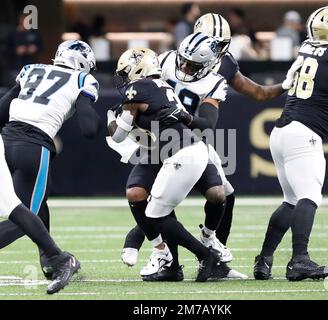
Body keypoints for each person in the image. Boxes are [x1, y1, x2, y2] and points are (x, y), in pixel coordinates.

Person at [121, 14, 301, 279]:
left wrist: (285, 85)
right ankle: (168, 259)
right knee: (149, 196)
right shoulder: (169, 58)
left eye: (216, 44)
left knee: (222, 194)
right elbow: (140, 87)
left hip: (191, 138)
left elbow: (256, 94)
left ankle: (212, 252)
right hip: (159, 137)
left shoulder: (220, 71)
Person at [254, 5, 328, 281]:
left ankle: (264, 259)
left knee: (291, 200)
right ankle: (299, 260)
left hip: (282, 131)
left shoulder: (306, 48)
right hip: (304, 133)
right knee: (310, 197)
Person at [107, 47, 223, 282]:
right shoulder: (162, 86)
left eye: (126, 72)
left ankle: (201, 255)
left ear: (139, 69)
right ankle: (178, 258)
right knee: (156, 211)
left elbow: (119, 135)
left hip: (181, 153)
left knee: (155, 216)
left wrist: (110, 119)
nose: (124, 78)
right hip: (188, 150)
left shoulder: (138, 88)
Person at [0, 40, 101, 279]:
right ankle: (59, 259)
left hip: (4, 141)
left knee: (36, 203)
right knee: (24, 217)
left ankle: (50, 260)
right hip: (33, 147)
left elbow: (2, 109)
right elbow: (89, 129)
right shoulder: (82, 79)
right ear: (83, 63)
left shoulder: (31, 69)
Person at [0, 133, 80, 294]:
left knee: (14, 207)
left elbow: (91, 128)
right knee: (18, 207)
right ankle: (53, 258)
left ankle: (58, 258)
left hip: (32, 142)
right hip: (18, 140)